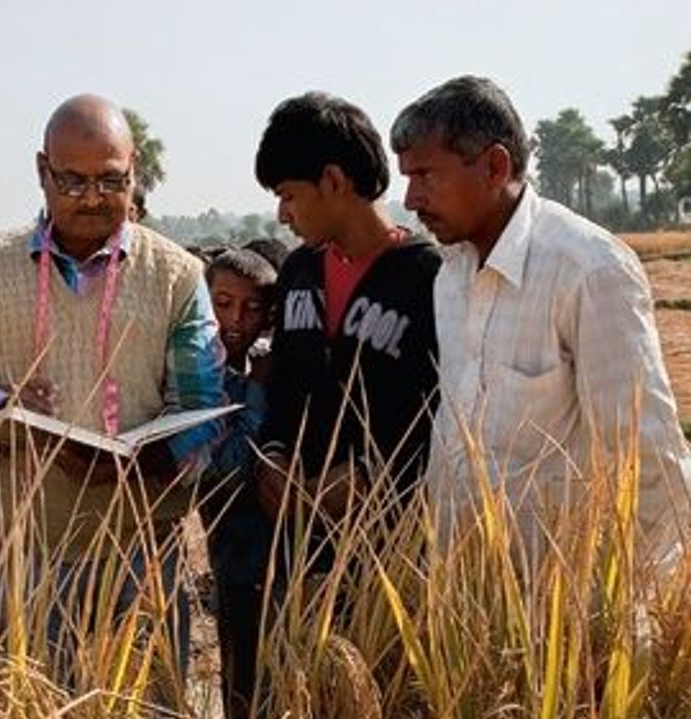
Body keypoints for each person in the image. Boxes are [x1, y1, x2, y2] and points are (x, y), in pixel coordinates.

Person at [0, 93, 224, 701]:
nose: (92, 198)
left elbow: (204, 400)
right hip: (29, 545)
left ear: (134, 169)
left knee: (148, 702)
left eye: (110, 181)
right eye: (72, 181)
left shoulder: (175, 274)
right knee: (27, 698)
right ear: (42, 172)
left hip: (144, 547)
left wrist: (154, 464)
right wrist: (8, 408)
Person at [390, 76, 691, 557]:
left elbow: (649, 463)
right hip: (463, 596)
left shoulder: (588, 270)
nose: (410, 200)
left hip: (561, 606)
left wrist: (615, 615)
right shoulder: (450, 276)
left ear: (493, 166)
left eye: (425, 175)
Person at [252, 92, 440, 581]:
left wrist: (368, 479)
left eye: (289, 195)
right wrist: (271, 457)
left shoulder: (430, 280)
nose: (282, 215)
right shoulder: (297, 272)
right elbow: (282, 385)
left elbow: (441, 414)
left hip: (393, 557)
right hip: (300, 549)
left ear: (333, 181)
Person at [197, 248, 279, 719]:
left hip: (274, 553)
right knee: (241, 670)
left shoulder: (265, 365)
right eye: (223, 303)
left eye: (251, 309)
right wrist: (255, 392)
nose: (235, 320)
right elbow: (223, 466)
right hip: (233, 553)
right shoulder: (198, 376)